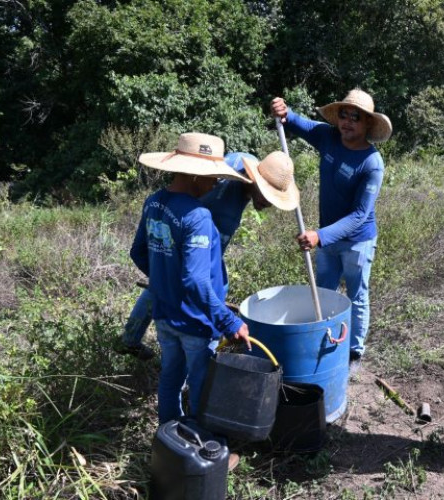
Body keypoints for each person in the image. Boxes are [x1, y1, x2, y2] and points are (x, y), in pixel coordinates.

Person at [118, 150, 299, 360]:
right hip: (187, 241)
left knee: (175, 281)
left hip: (199, 243)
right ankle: (191, 353)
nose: (268, 204)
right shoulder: (220, 191)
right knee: (170, 282)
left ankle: (135, 340)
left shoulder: (247, 167)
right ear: (255, 180)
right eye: (267, 196)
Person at [129, 132, 259, 426]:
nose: (215, 184)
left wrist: (165, 281)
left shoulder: (154, 203)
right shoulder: (198, 216)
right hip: (195, 322)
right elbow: (196, 281)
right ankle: (200, 440)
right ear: (196, 175)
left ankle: (168, 435)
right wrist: (229, 322)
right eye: (213, 177)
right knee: (201, 384)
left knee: (170, 377)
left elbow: (138, 252)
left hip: (165, 315)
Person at [270, 89, 392, 373]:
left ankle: (354, 352)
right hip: (325, 240)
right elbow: (297, 122)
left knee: (356, 296)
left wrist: (319, 236)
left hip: (357, 243)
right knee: (324, 291)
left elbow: (360, 215)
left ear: (368, 123)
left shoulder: (371, 163)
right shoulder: (328, 137)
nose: (347, 122)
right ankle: (323, 339)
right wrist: (283, 111)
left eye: (355, 117)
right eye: (344, 115)